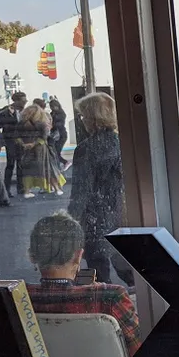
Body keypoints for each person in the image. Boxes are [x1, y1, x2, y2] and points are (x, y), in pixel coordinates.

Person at [26, 212, 141, 357]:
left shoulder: (18, 299)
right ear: (78, 255)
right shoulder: (110, 297)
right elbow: (137, 349)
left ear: (32, 256)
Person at [68, 92, 134, 286]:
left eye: (83, 115)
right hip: (122, 214)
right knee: (128, 268)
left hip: (95, 219)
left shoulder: (86, 148)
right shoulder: (124, 143)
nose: (82, 120)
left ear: (92, 117)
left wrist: (70, 221)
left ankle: (106, 304)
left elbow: (81, 191)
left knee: (98, 273)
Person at [17, 104, 65, 197]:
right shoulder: (41, 123)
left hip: (27, 150)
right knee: (49, 169)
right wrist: (34, 144)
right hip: (42, 150)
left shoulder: (21, 124)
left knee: (28, 170)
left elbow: (16, 136)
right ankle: (56, 188)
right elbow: (44, 136)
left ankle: (27, 191)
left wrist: (24, 144)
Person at [0, 91, 28, 198]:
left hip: (21, 140)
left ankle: (21, 187)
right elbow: (0, 123)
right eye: (23, 100)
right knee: (10, 164)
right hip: (10, 140)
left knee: (21, 164)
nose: (25, 102)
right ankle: (7, 189)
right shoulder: (5, 111)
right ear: (16, 101)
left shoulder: (25, 111)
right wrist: (9, 115)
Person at [49, 99, 71, 171]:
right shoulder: (52, 113)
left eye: (53, 106)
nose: (52, 108)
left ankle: (64, 163)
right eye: (51, 106)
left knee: (56, 152)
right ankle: (61, 164)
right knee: (54, 152)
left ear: (57, 105)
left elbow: (60, 124)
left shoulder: (61, 114)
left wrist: (52, 125)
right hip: (55, 135)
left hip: (61, 135)